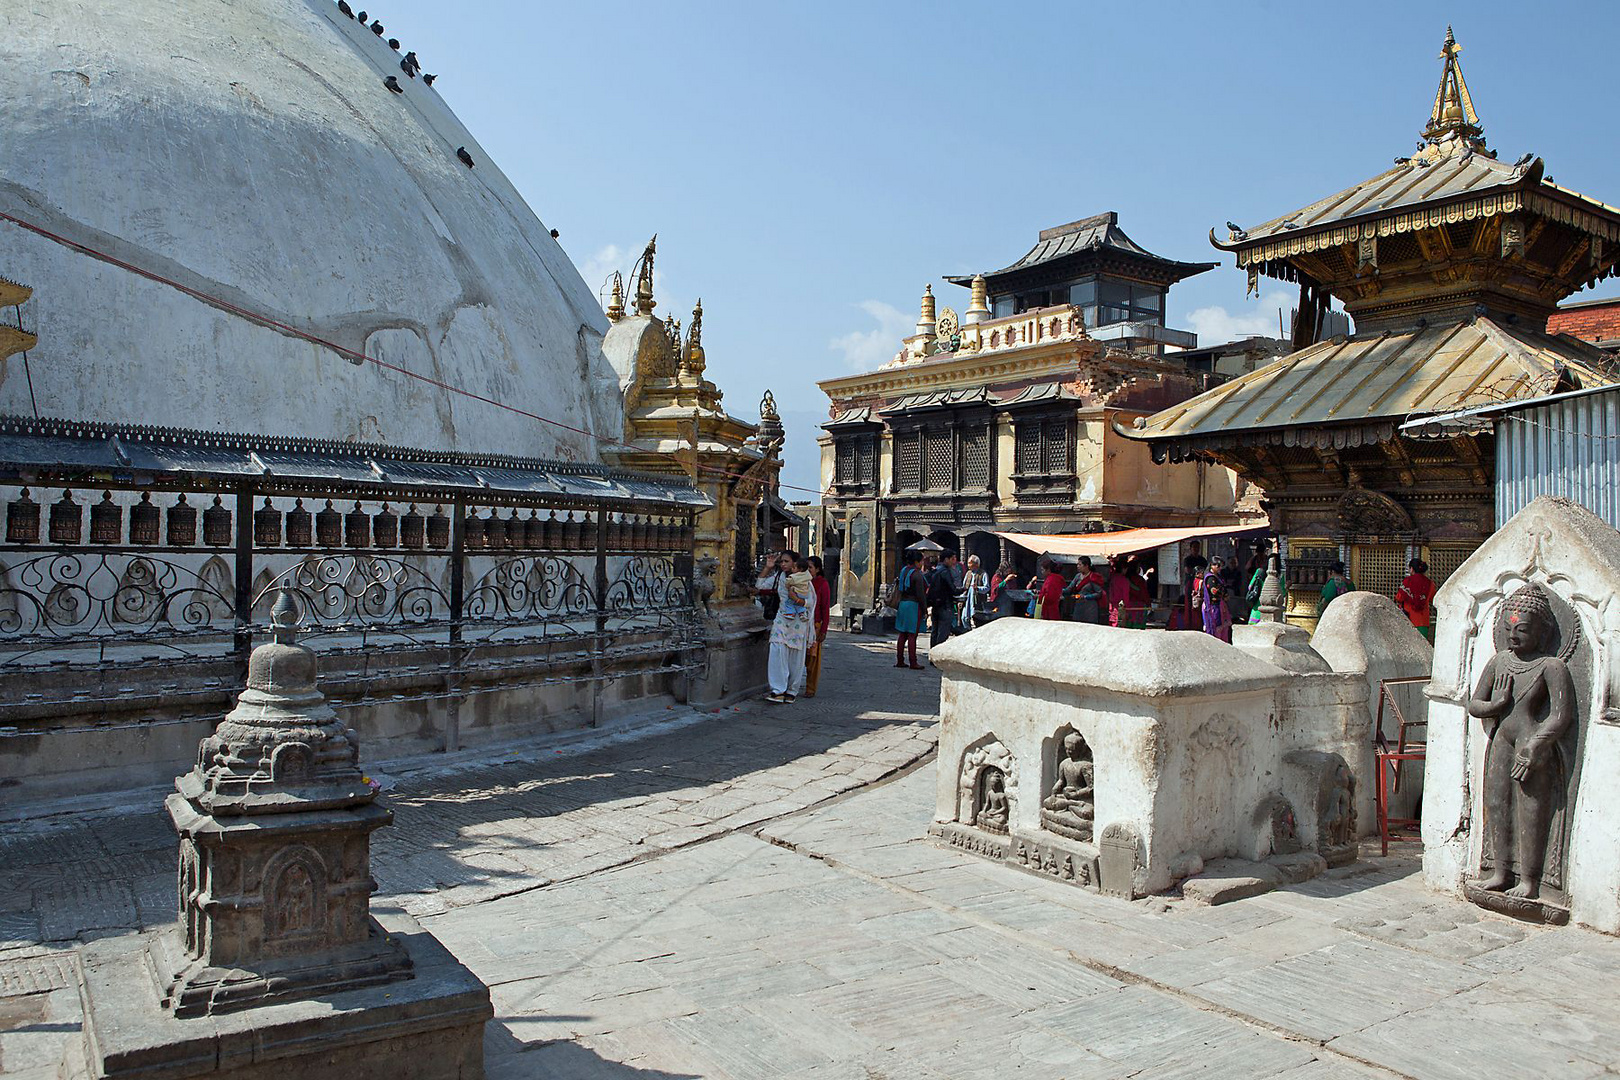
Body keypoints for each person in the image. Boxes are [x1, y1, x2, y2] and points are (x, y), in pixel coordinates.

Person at [762, 552, 813, 703]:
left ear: (795, 564)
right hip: (782, 618)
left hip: (798, 620)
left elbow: (810, 601)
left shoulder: (804, 579)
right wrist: (768, 567)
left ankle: (792, 690)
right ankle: (778, 690)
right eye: (781, 561)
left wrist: (796, 599)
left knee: (795, 656)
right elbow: (761, 585)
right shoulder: (779, 577)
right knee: (777, 648)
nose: (783, 564)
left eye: (786, 561)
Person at [892, 549, 927, 669]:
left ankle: (900, 660)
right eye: (921, 561)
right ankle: (913, 661)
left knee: (902, 634)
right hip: (913, 605)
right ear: (917, 562)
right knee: (912, 635)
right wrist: (925, 609)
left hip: (903, 603)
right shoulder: (917, 574)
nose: (922, 563)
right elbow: (921, 595)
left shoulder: (903, 571)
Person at [803, 555, 833, 696]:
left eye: (810, 568)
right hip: (801, 623)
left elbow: (825, 608)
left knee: (813, 658)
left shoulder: (822, 584)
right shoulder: (801, 582)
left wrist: (824, 629)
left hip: (815, 624)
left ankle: (810, 687)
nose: (807, 570)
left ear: (817, 569)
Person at [1395, 558, 1436, 640]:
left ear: (1411, 569)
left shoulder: (1407, 581)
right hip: (1423, 621)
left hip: (1408, 620)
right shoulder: (1430, 583)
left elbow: (1399, 598)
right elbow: (1433, 599)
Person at [927, 553, 959, 656]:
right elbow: (952, 589)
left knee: (935, 632)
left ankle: (932, 655)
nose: (953, 561)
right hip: (945, 605)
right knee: (943, 632)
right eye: (952, 559)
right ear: (946, 559)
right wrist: (963, 590)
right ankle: (937, 656)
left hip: (935, 605)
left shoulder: (935, 571)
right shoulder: (945, 572)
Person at [1068, 556, 1106, 624]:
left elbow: (1099, 593)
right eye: (1077, 564)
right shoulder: (1078, 576)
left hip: (1090, 608)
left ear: (1086, 566)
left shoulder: (1093, 577)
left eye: (1080, 564)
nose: (1077, 566)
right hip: (1079, 607)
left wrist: (1085, 597)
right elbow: (1069, 588)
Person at [960, 555, 988, 630]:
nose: (968, 565)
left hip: (977, 601)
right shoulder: (968, 573)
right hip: (967, 601)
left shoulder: (983, 574)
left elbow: (987, 588)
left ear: (976, 564)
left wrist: (978, 588)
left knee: (976, 619)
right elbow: (964, 587)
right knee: (964, 618)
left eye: (970, 563)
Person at [1202, 578, 1234, 642]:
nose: (1218, 567)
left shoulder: (1223, 604)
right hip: (1213, 609)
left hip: (1221, 608)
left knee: (1224, 632)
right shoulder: (1207, 606)